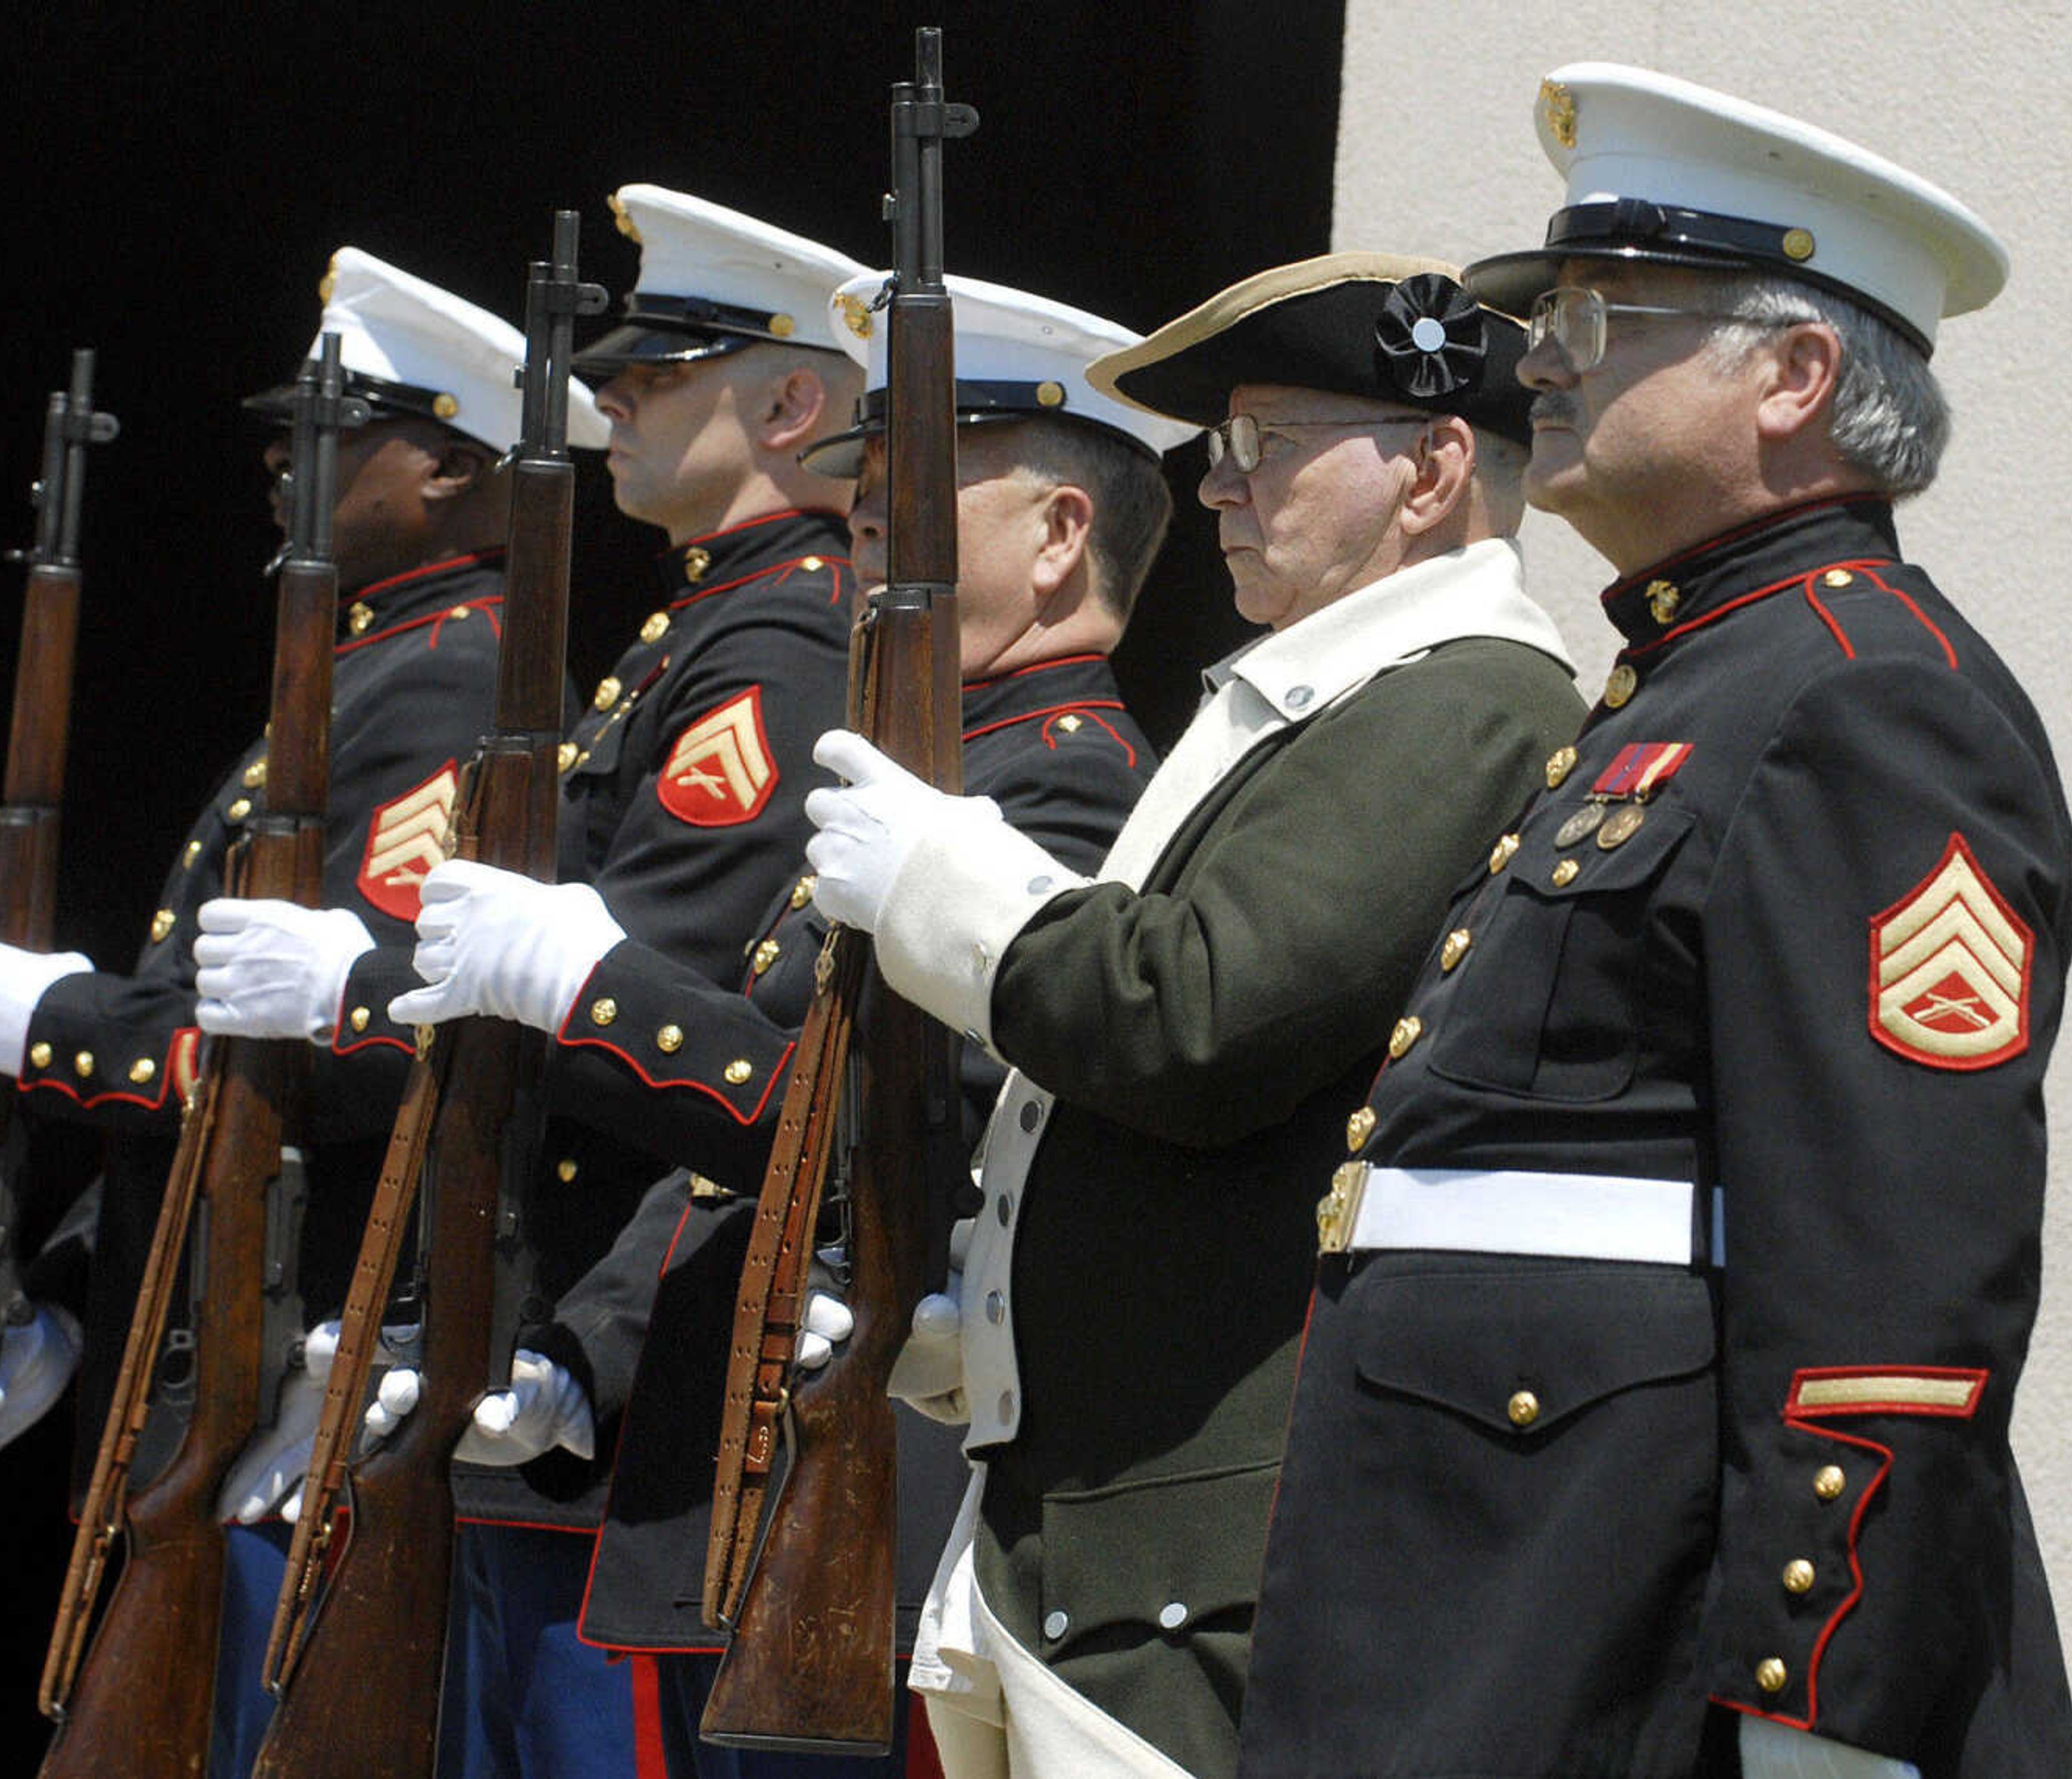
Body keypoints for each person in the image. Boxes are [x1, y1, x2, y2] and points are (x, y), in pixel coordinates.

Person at [1234, 65, 2072, 1779]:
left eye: (1605, 314)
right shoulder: (1686, 689)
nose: (1542, 357)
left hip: (1627, 1646)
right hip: (1499, 1604)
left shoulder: (1863, 703)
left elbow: (1895, 1267)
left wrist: (1819, 1703)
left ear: (1796, 374)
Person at [391, 268, 1194, 1778]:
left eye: (910, 507)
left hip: (871, 1472)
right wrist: (590, 1349)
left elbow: (901, 1129)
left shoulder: (1063, 784)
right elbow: (747, 1161)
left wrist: (593, 986)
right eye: (866, 506)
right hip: (743, 1457)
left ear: (1060, 534)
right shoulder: (937, 784)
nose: (869, 543)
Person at [800, 254, 1583, 1778]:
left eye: (1266, 443)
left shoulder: (1466, 693)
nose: (1218, 488)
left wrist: (957, 891)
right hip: (1101, 1527)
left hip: (1195, 1550)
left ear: (1429, 471)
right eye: (1218, 449)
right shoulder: (1339, 691)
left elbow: (1201, 1013)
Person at [0, 246, 612, 1772]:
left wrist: (55, 1023)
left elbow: (347, 1045)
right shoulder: (380, 669)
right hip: (212, 1328)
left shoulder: (450, 685)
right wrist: (71, 1269)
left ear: (444, 463)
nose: (282, 456)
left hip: (297, 1353)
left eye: (333, 427)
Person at [201, 186, 873, 1779]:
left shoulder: (773, 643)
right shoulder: (696, 628)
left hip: (611, 1351)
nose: (614, 401)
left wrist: (357, 991)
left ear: (791, 403)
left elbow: (655, 975)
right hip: (542, 1344)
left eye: (658, 375)